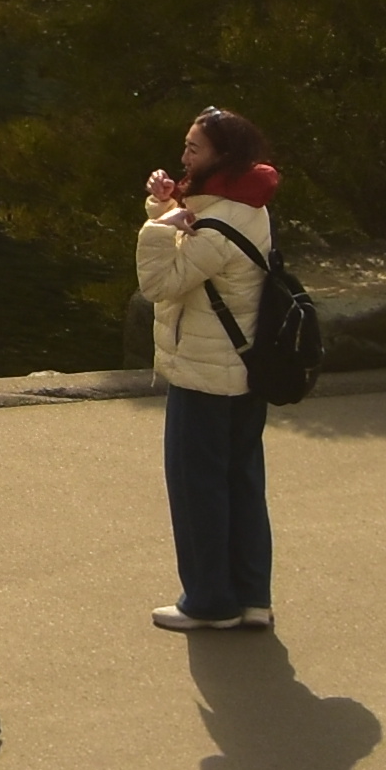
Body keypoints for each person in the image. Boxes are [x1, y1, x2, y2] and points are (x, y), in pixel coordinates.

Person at [133, 107, 290, 634]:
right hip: (245, 371)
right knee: (242, 481)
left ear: (222, 156)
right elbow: (193, 229)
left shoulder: (218, 225)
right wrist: (165, 202)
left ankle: (207, 602)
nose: (183, 157)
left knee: (196, 485)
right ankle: (252, 597)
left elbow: (161, 283)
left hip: (205, 374)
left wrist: (157, 225)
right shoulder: (249, 204)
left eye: (194, 149)